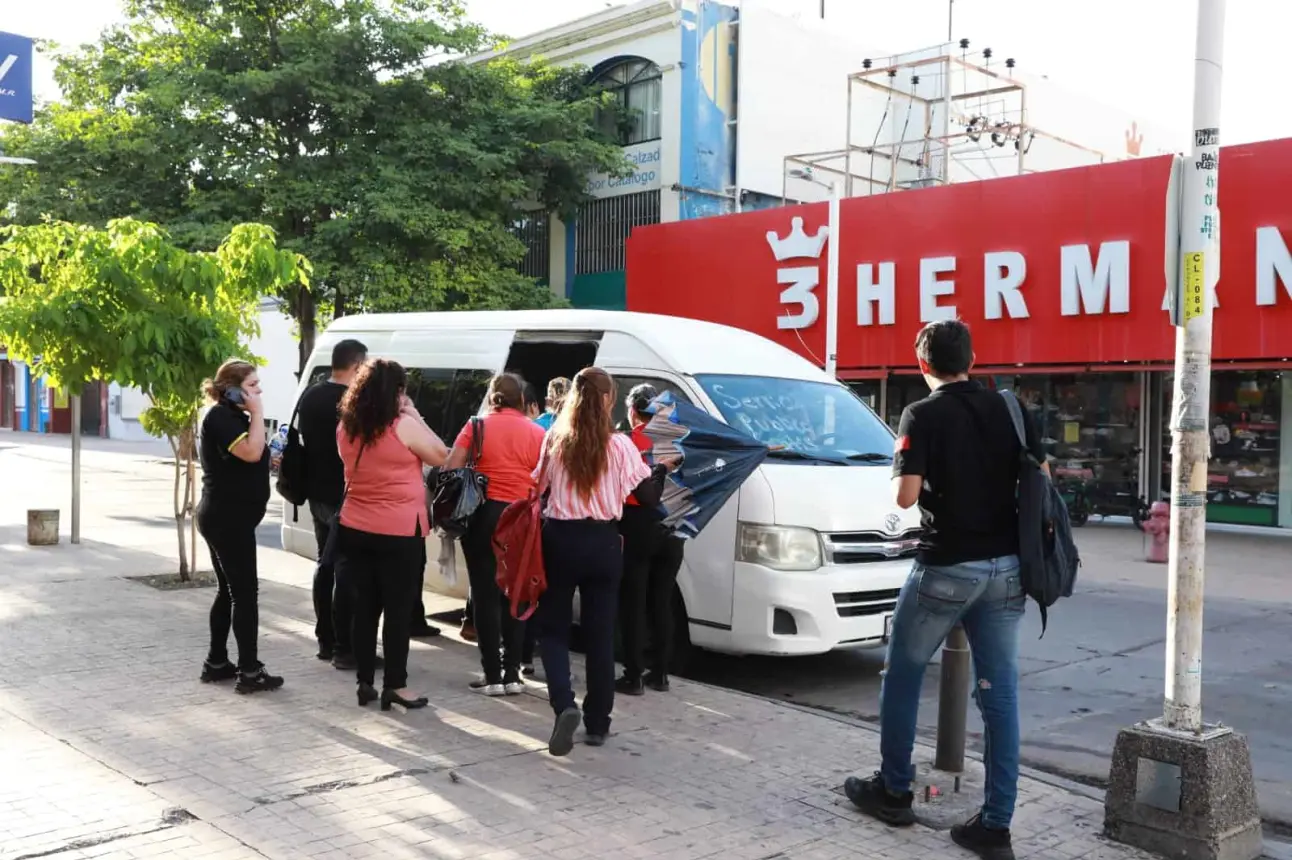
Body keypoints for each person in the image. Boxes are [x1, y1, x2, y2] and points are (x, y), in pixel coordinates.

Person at [844, 319, 1047, 860]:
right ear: (973, 361)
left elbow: (906, 497)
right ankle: (996, 825)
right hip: (1007, 570)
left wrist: (905, 473)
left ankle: (894, 790)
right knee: (1000, 696)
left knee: (903, 673)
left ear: (922, 365)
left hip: (946, 568)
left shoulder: (921, 414)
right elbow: (1041, 475)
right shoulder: (1012, 408)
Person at [532, 367, 665, 756]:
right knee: (600, 634)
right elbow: (650, 498)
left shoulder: (555, 438)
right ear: (609, 400)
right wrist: (659, 471)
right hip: (605, 541)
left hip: (560, 537)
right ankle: (597, 724)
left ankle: (564, 705)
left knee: (553, 629)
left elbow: (537, 487)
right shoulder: (622, 445)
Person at [335, 359, 449, 711]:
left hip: (355, 525)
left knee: (365, 607)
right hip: (399, 530)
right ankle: (395, 686)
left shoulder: (347, 426)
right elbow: (442, 454)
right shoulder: (402, 426)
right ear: (398, 392)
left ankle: (365, 681)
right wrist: (415, 415)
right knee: (397, 611)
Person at [445, 373, 546, 696]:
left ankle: (491, 675)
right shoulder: (538, 432)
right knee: (515, 592)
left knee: (485, 593)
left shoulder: (476, 426)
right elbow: (545, 482)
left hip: (482, 514)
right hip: (521, 518)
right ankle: (513, 673)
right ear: (522, 399)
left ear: (493, 396)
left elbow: (451, 468)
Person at [196, 360, 282, 695]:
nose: (259, 392)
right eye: (253, 386)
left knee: (228, 591)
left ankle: (217, 662)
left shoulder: (229, 417)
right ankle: (250, 671)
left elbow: (252, 455)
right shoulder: (220, 417)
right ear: (231, 390)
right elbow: (249, 452)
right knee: (245, 595)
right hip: (227, 519)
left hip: (226, 516)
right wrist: (258, 414)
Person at [296, 338, 368, 670]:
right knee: (346, 571)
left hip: (316, 493)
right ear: (356, 366)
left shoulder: (310, 395)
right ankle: (345, 648)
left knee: (324, 566)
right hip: (346, 495)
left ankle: (325, 639)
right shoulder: (352, 402)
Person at [615, 383, 685, 696]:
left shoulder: (627, 441)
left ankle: (633, 675)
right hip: (675, 524)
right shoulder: (680, 442)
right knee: (662, 599)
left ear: (632, 411)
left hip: (637, 523)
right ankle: (660, 674)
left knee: (633, 601)